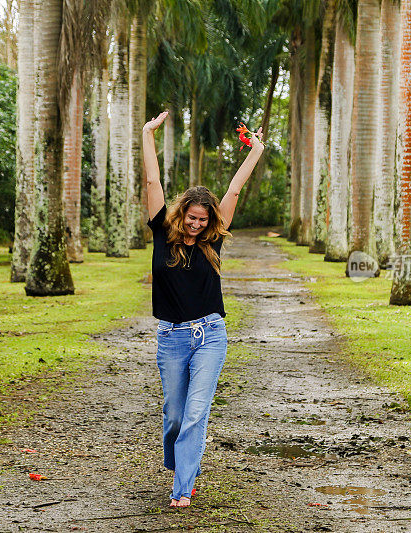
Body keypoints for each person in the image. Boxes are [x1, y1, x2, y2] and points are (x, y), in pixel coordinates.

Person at [142, 110, 264, 507]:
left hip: (210, 334)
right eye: (192, 218)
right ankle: (177, 460)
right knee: (175, 417)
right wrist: (147, 135)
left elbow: (232, 191)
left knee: (196, 415)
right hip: (171, 338)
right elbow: (152, 181)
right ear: (182, 214)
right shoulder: (162, 229)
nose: (196, 225)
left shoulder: (213, 239)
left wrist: (255, 153)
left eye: (203, 219)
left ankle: (183, 488)